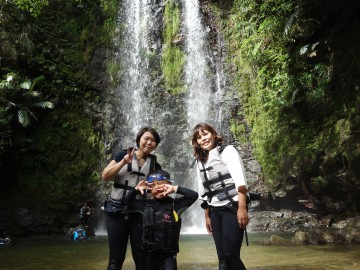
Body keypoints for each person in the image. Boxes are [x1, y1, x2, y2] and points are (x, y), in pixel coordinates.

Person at [101, 127, 162, 270]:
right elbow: (105, 176)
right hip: (117, 212)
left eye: (153, 140)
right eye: (146, 138)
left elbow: (158, 190)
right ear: (138, 139)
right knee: (116, 259)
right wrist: (123, 162)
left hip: (140, 215)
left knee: (141, 258)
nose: (149, 142)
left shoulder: (155, 165)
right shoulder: (123, 154)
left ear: (156, 144)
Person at [191, 123, 249, 270]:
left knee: (231, 254)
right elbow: (204, 192)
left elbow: (240, 182)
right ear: (196, 142)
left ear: (214, 134)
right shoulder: (199, 160)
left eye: (205, 134)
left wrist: (242, 208)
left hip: (232, 207)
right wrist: (207, 217)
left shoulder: (228, 151)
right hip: (215, 212)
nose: (203, 139)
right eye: (199, 137)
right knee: (222, 257)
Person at [132, 169, 198, 270]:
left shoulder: (175, 205)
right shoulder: (144, 204)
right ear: (148, 188)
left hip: (169, 256)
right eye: (153, 185)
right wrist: (136, 189)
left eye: (161, 184)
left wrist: (175, 189)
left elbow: (193, 196)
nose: (157, 187)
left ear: (169, 185)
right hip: (150, 255)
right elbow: (126, 201)